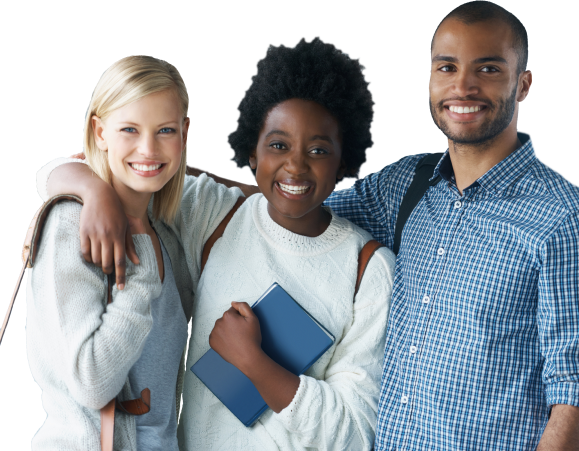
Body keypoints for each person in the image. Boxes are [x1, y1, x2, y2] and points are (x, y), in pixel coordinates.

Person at [90, 2, 579, 450]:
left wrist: (256, 366)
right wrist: (91, 188)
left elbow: (572, 391)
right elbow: (289, 201)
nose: (464, 87)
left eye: (489, 69)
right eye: (447, 68)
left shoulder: (562, 214)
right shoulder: (408, 185)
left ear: (524, 84)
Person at [36, 38, 395, 449]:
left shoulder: (368, 269)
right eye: (278, 145)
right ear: (252, 151)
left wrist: (255, 363)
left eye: (319, 150)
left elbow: (355, 433)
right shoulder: (214, 213)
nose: (295, 165)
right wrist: (91, 191)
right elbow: (109, 165)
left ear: (344, 159)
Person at [28, 55, 243, 450]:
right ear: (100, 131)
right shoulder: (70, 225)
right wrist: (137, 258)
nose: (148, 149)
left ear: (184, 132)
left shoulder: (167, 230)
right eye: (129, 128)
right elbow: (92, 383)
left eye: (164, 130)